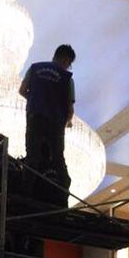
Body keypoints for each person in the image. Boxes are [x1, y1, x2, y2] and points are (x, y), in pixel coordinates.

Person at [19, 44, 76, 199]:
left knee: (32, 156)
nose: (68, 67)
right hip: (56, 121)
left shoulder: (34, 68)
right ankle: (63, 194)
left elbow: (22, 90)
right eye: (69, 63)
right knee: (58, 158)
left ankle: (26, 193)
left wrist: (34, 100)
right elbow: (70, 108)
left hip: (35, 117)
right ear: (66, 60)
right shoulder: (67, 78)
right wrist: (67, 121)